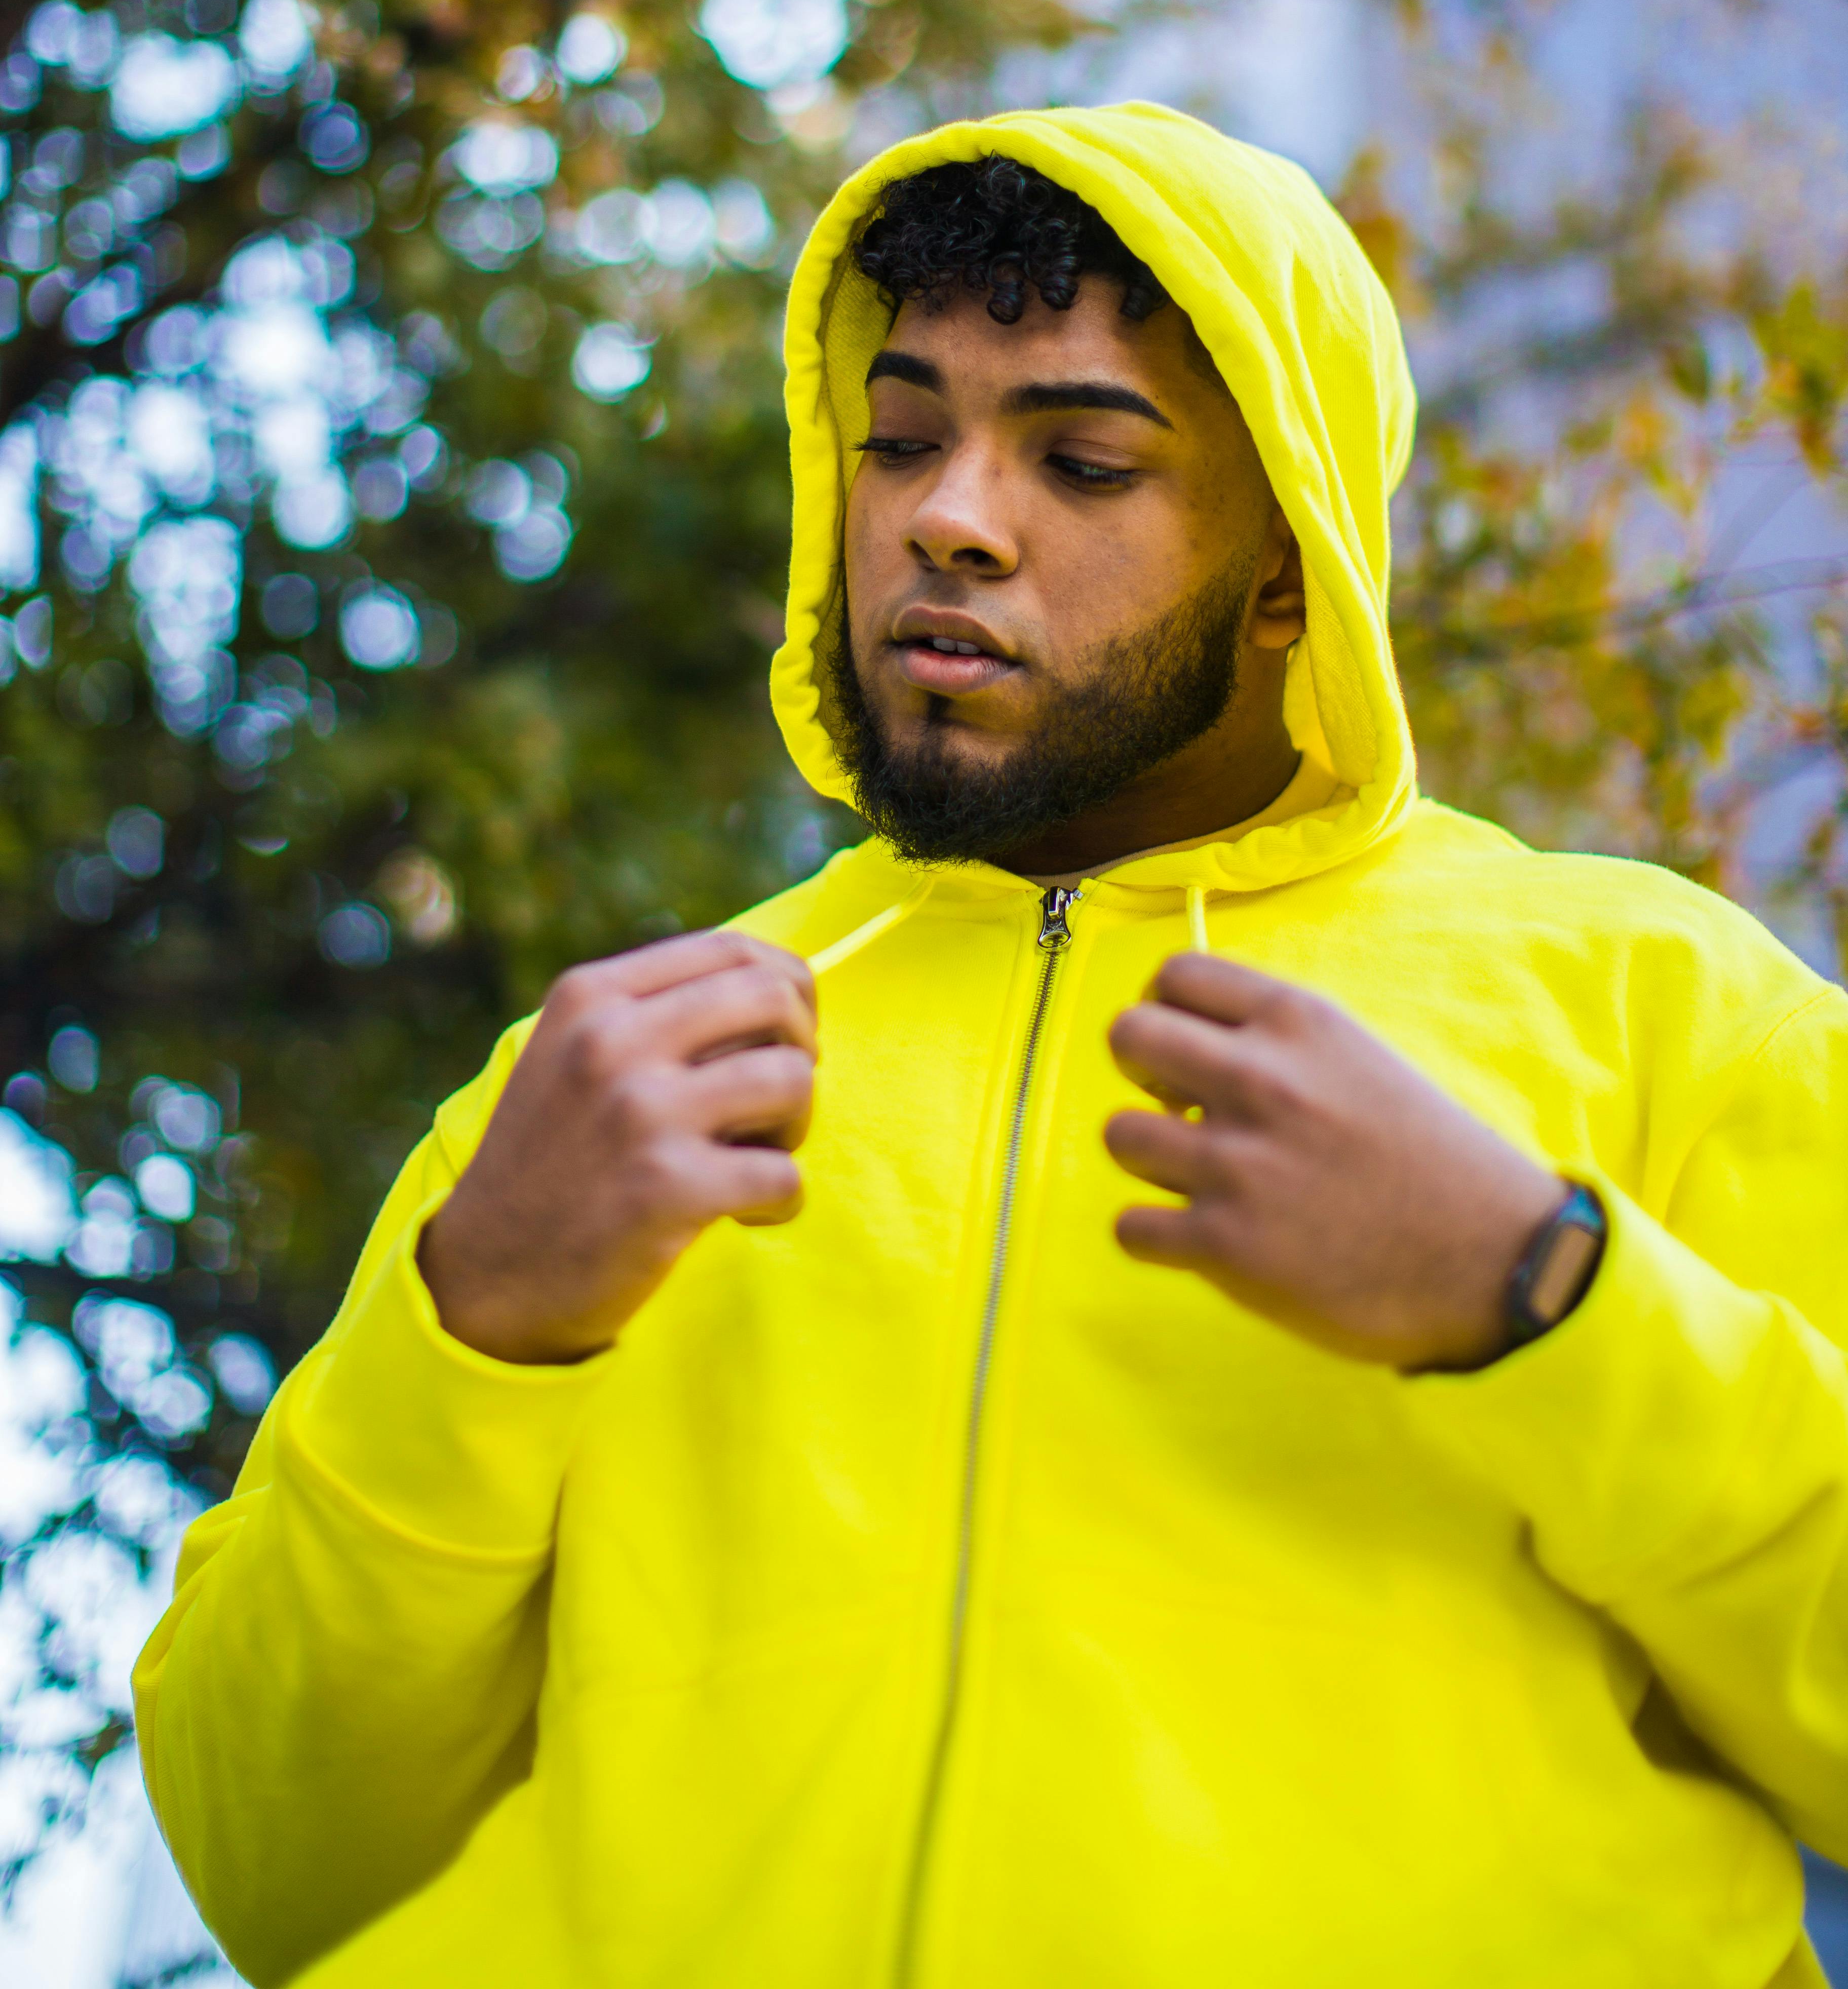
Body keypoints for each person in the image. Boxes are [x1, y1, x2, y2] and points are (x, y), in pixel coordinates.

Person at [136, 104, 1848, 1989]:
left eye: (1085, 458)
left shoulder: (1667, 1006)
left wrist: (1538, 1300)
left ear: (1289, 568)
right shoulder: (609, 1082)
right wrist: (481, 1329)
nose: (946, 513)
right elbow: (275, 1863)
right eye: (899, 437)